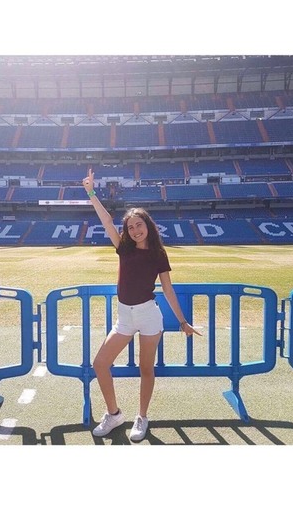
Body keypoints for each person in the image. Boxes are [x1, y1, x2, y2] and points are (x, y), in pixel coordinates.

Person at [82, 169, 202, 442]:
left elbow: (168, 289)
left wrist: (183, 322)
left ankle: (142, 417)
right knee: (101, 363)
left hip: (149, 316)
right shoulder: (123, 247)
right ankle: (113, 414)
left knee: (145, 368)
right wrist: (91, 193)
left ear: (148, 225)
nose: (135, 231)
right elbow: (105, 220)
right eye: (130, 227)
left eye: (139, 225)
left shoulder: (159, 253)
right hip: (125, 317)